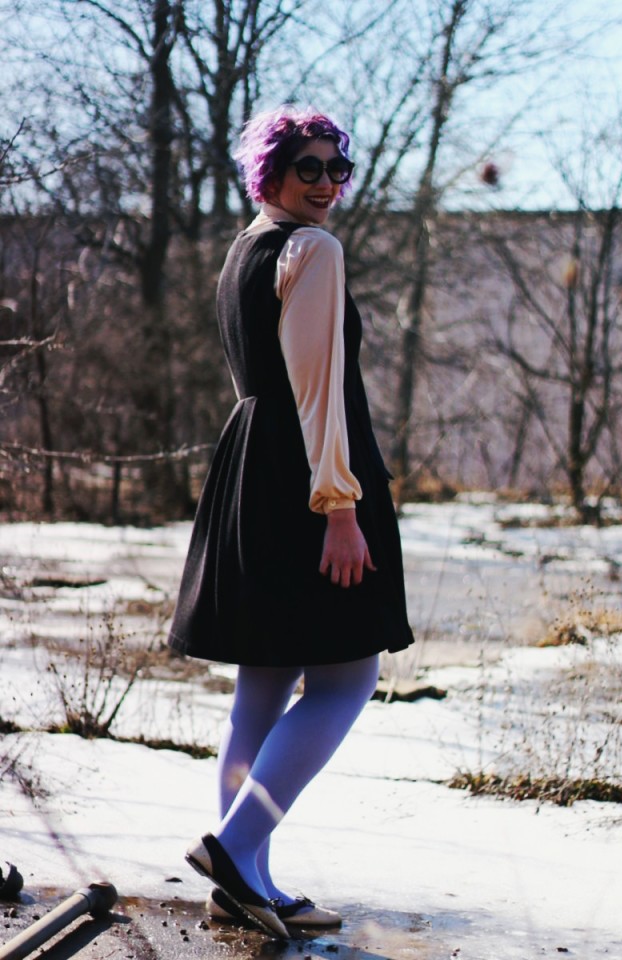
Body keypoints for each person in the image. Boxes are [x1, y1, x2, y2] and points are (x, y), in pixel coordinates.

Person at [169, 105, 414, 939]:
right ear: (270, 169)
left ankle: (248, 880)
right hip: (307, 480)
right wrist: (340, 509)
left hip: (253, 472)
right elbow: (319, 391)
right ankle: (238, 847)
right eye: (308, 167)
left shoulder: (248, 249)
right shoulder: (313, 250)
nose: (326, 185)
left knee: (264, 684)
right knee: (347, 678)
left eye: (338, 171)